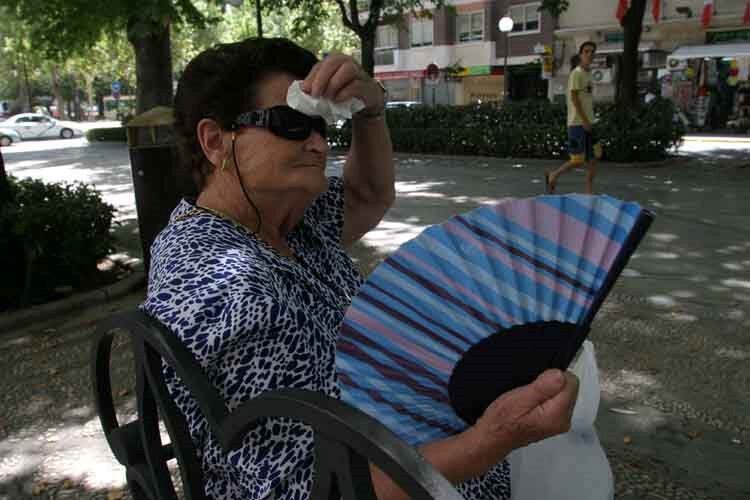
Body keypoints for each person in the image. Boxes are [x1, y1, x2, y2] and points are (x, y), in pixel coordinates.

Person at [142, 37, 579, 500]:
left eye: (322, 124)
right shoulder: (223, 287)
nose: (316, 142)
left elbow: (368, 195)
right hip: (396, 470)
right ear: (214, 141)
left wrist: (370, 111)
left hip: (396, 426)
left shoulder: (283, 217)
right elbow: (315, 490)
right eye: (290, 123)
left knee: (572, 366)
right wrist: (490, 441)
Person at [546, 41, 602, 195]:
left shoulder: (588, 74)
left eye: (592, 51)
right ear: (580, 55)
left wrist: (591, 120)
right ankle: (554, 175)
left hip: (590, 122)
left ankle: (589, 191)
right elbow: (574, 99)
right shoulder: (576, 73)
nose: (589, 54)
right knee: (578, 160)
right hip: (577, 123)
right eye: (586, 51)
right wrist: (584, 121)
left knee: (594, 156)